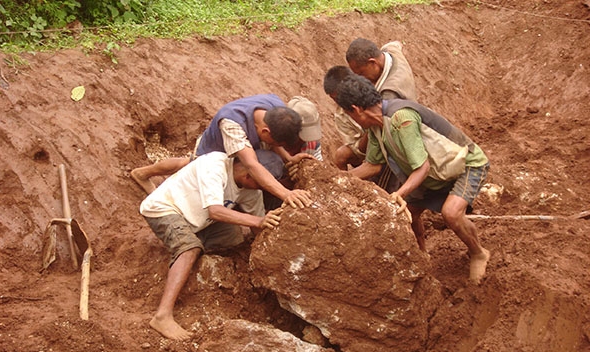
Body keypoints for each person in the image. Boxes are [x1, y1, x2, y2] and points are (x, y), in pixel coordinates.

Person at [335, 74, 491, 284]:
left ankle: (478, 253)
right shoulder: (376, 127)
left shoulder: (401, 118)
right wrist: (335, 180)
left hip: (466, 165)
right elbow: (372, 165)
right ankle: (422, 256)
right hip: (436, 173)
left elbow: (422, 167)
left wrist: (398, 194)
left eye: (347, 113)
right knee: (409, 214)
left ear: (355, 109)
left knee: (451, 213)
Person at [140, 149, 287, 340]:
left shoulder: (250, 189)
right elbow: (216, 211)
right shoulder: (215, 165)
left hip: (196, 221)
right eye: (260, 183)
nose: (260, 189)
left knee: (234, 237)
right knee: (189, 247)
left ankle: (185, 249)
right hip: (164, 209)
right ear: (248, 174)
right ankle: (162, 316)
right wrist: (258, 221)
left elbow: (258, 228)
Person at [131, 94, 318, 207]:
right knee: (190, 165)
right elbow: (251, 165)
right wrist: (286, 194)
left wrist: (289, 159)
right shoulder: (232, 124)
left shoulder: (276, 109)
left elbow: (274, 141)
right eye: (273, 140)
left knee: (187, 163)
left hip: (237, 147)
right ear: (265, 131)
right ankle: (143, 173)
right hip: (213, 149)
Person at [325, 39, 418, 172]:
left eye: (361, 73)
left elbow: (374, 164)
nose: (361, 79)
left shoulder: (388, 96)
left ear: (373, 63)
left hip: (402, 144)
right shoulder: (391, 53)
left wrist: (342, 180)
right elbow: (395, 44)